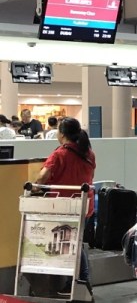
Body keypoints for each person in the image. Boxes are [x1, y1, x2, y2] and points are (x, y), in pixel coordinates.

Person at [36, 118, 96, 285]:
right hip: (85, 205)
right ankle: (75, 283)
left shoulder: (59, 154)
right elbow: (90, 176)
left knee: (71, 242)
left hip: (64, 205)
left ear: (62, 134)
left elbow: (42, 178)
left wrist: (35, 186)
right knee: (75, 241)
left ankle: (82, 282)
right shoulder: (89, 153)